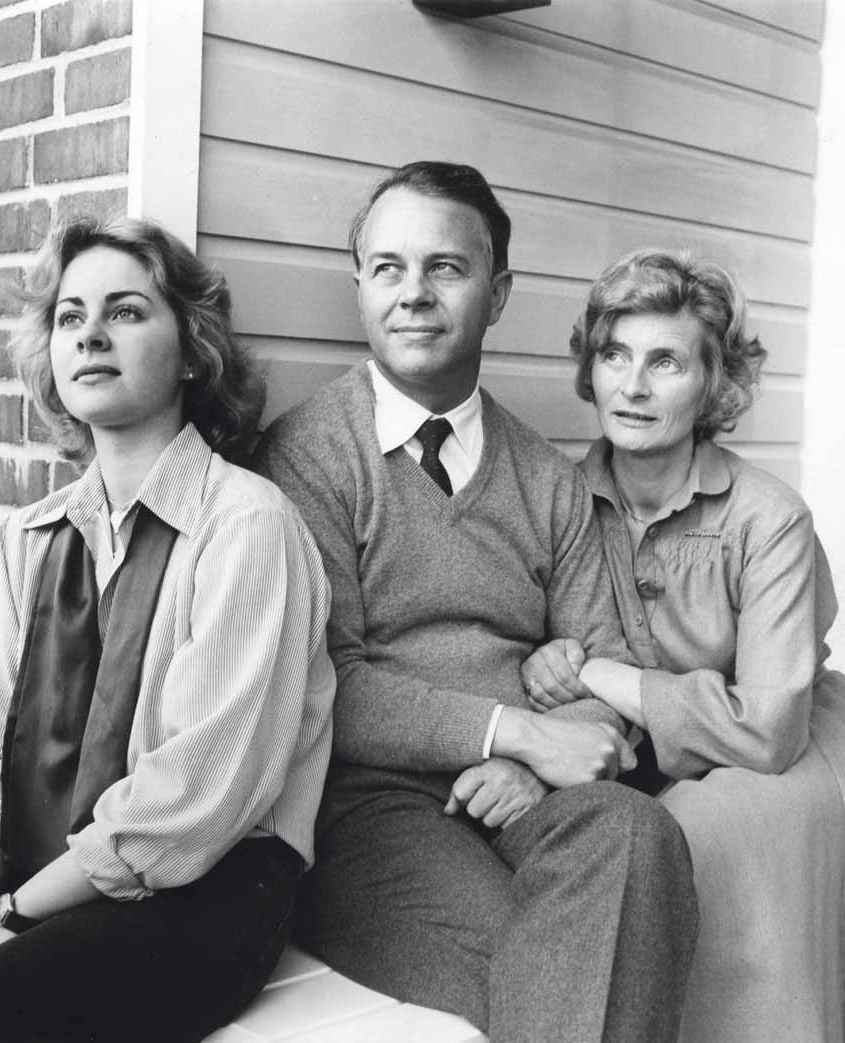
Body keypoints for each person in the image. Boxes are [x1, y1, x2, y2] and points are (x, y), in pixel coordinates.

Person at [255, 161, 699, 1043]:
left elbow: (602, 664)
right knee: (557, 960)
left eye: (445, 267)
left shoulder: (547, 479)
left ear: (497, 294)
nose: (413, 293)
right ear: (359, 286)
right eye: (388, 267)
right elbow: (329, 683)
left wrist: (532, 765)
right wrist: (516, 732)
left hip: (523, 796)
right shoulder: (308, 454)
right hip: (371, 812)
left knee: (638, 834)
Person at [0, 215, 336, 1043]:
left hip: (203, 894)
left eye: (126, 311)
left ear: (194, 350)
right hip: (36, 862)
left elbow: (191, 799)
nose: (91, 334)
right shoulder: (29, 539)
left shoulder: (247, 526)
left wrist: (14, 916)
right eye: (71, 316)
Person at [521, 248, 845, 1041]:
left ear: (714, 385)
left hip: (787, 748)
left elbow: (768, 728)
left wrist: (601, 673)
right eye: (614, 354)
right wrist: (545, 661)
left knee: (694, 836)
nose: (633, 385)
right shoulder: (558, 496)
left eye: (665, 361)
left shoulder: (770, 517)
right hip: (641, 748)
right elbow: (534, 638)